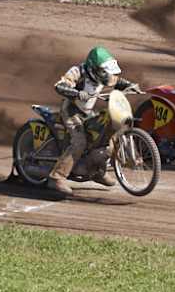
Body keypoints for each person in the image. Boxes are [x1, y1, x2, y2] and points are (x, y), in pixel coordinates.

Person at [47, 46, 138, 196]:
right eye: (103, 72)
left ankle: (97, 172)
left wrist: (131, 85)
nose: (106, 76)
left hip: (88, 113)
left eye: (106, 72)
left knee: (104, 137)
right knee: (80, 142)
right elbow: (60, 86)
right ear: (93, 68)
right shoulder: (77, 71)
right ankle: (57, 177)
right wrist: (76, 93)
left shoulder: (104, 74)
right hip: (71, 112)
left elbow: (117, 81)